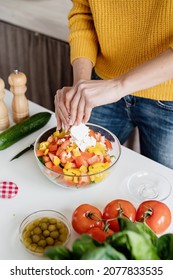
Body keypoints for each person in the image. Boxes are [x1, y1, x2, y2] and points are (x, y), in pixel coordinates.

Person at [54, 0, 173, 169]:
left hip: (168, 96)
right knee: (80, 168)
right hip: (102, 87)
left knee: (165, 183)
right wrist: (82, 85)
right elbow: (84, 13)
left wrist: (118, 86)